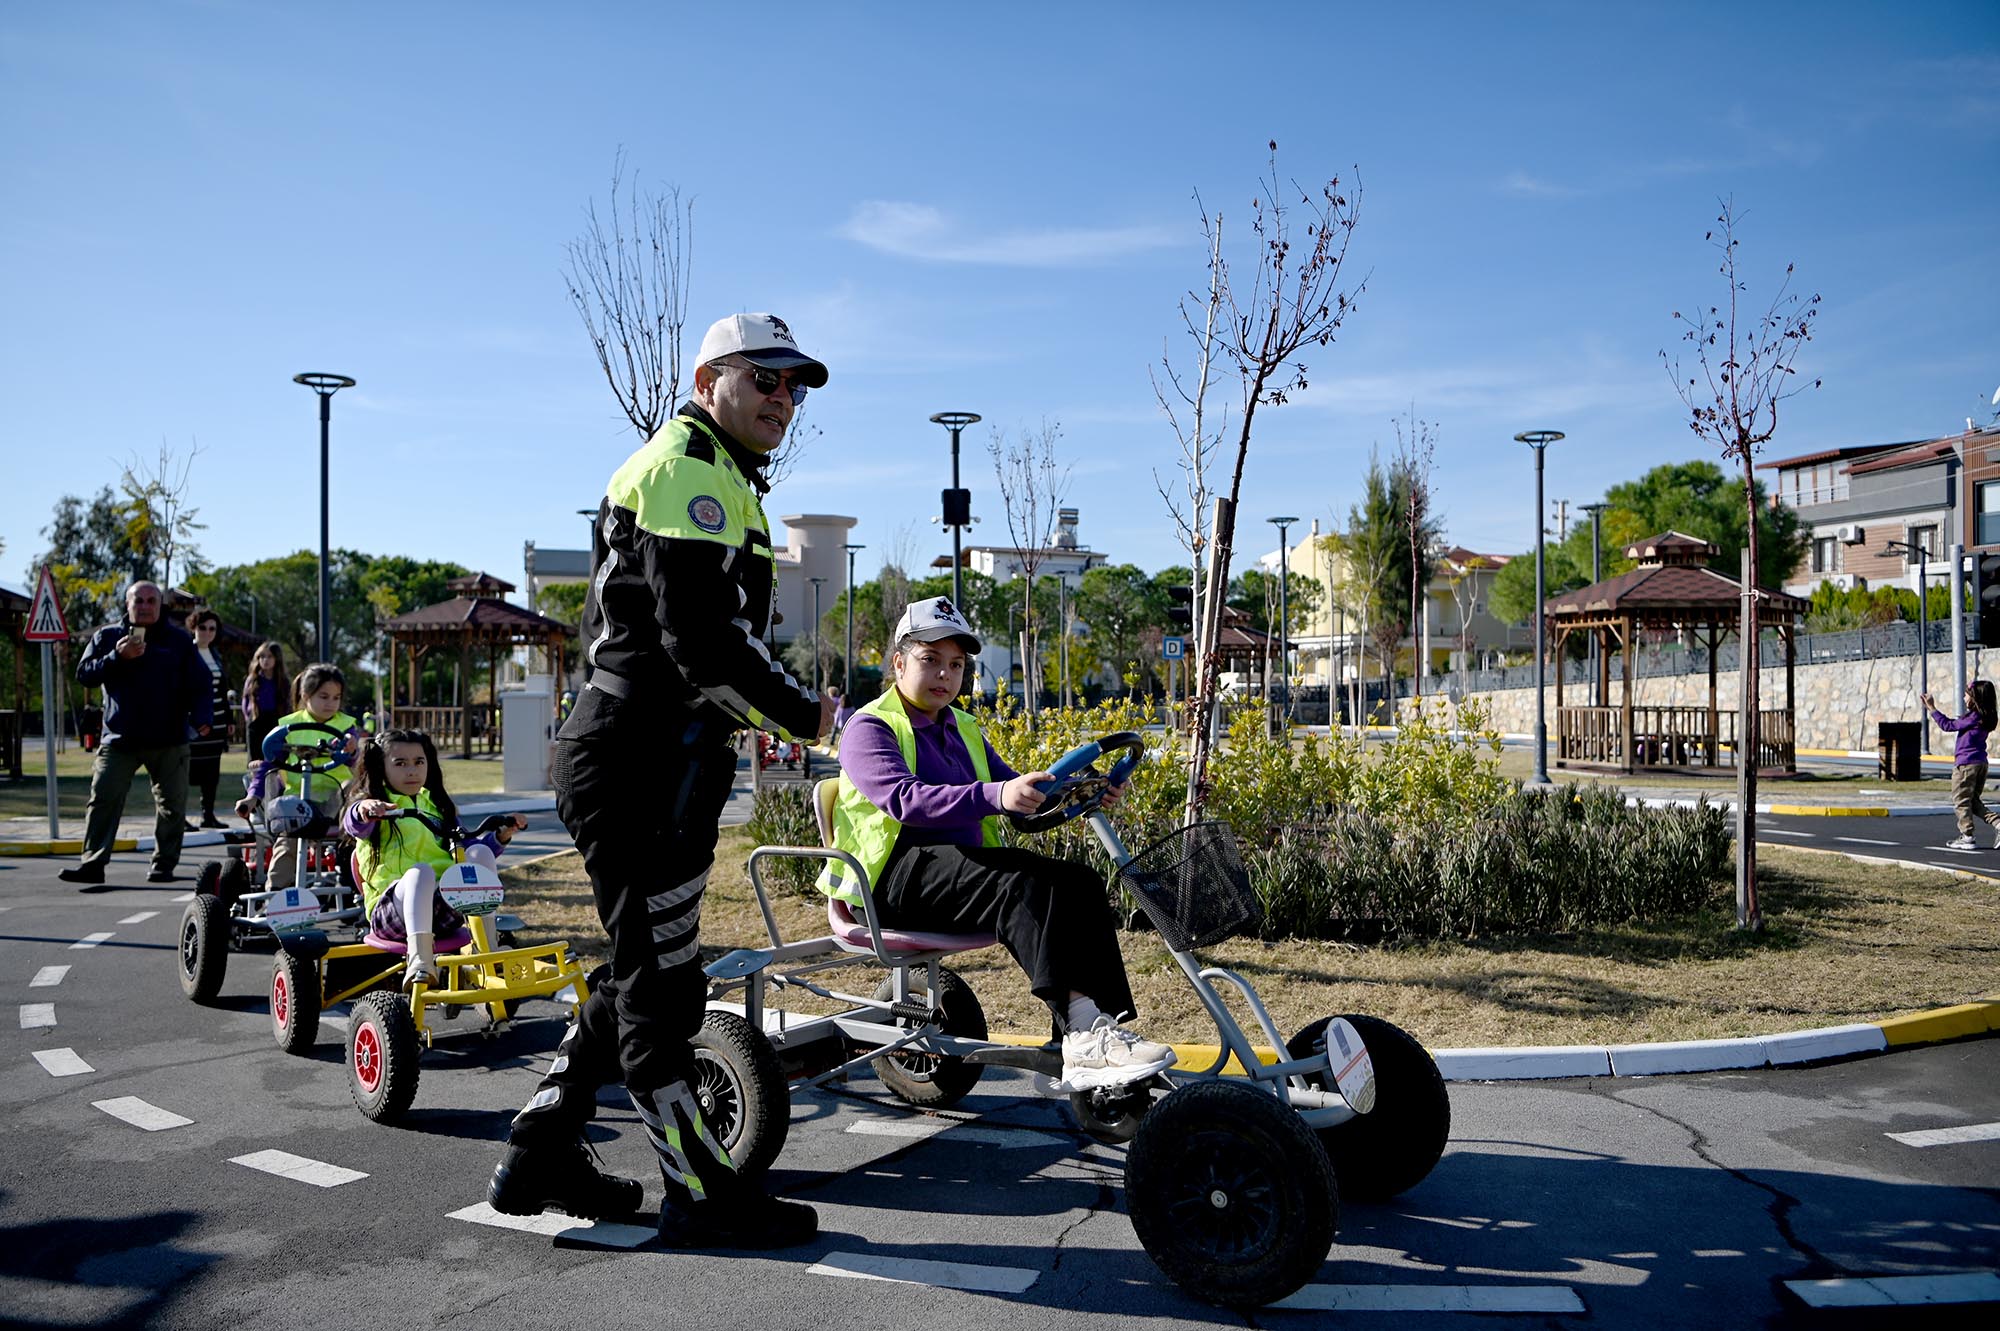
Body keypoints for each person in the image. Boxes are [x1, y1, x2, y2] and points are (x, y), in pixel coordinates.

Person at [489, 312, 836, 1245]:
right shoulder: (687, 468)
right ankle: (701, 1192)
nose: (784, 399)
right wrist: (811, 718)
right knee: (663, 990)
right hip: (640, 754)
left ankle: (540, 1147)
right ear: (706, 378)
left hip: (660, 755)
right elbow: (701, 643)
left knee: (647, 973)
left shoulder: (718, 472)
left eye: (794, 385)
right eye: (765, 379)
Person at [820, 596, 1176, 1092]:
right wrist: (998, 794)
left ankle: (1097, 1029)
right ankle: (1082, 1033)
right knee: (1020, 885)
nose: (945, 675)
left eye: (957, 665)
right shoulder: (869, 727)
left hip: (956, 872)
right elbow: (906, 800)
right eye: (930, 660)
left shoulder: (962, 726)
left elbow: (1017, 792)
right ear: (899, 662)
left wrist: (1087, 787)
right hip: (891, 882)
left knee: (1079, 882)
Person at [341, 728, 526, 989]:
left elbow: (469, 850)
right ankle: (419, 962)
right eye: (400, 763)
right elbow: (353, 824)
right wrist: (364, 809)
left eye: (419, 762)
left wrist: (501, 836)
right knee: (421, 872)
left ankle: (487, 951)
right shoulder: (376, 808)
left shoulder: (437, 806)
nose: (412, 771)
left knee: (479, 853)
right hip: (392, 913)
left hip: (440, 908)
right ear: (381, 767)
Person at [60, 581, 214, 888]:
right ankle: (93, 864)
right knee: (103, 798)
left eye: (151, 601)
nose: (144, 606)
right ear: (127, 604)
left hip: (169, 739)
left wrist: (202, 718)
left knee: (173, 805)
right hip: (120, 739)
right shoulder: (108, 636)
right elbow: (84, 674)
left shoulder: (179, 641)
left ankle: (164, 864)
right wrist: (117, 657)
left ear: (159, 606)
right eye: (138, 601)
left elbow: (201, 682)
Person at [236, 663, 362, 888]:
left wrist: (352, 751)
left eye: (336, 698)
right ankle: (276, 895)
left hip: (337, 802)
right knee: (288, 844)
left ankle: (350, 868)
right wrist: (251, 797)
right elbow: (269, 766)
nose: (330, 703)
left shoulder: (346, 726)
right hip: (298, 803)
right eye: (323, 696)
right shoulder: (288, 727)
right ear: (305, 695)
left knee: (354, 788)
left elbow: (356, 762)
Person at [1924, 680, 2000, 850]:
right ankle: (1998, 823)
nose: (1964, 697)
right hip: (1981, 763)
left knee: (1961, 801)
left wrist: (1932, 708)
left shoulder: (1974, 718)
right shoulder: (1986, 717)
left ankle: (1967, 836)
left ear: (1975, 698)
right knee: (1973, 802)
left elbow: (1948, 725)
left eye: (1967, 694)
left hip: (1966, 765)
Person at [185, 609, 230, 829]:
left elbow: (222, 691)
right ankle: (179, 817)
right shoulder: (186, 654)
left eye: (212, 628)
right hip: (195, 726)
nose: (207, 632)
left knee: (212, 774)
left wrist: (229, 721)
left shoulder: (216, 655)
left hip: (218, 725)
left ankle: (208, 815)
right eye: (202, 627)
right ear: (194, 628)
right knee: (185, 772)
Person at [241, 641, 288, 766]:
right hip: (256, 723)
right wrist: (249, 718)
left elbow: (287, 704)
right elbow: (245, 703)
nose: (265, 660)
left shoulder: (283, 681)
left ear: (277, 658)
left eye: (269, 656)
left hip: (275, 723)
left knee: (276, 761)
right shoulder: (252, 680)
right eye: (262, 656)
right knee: (256, 763)